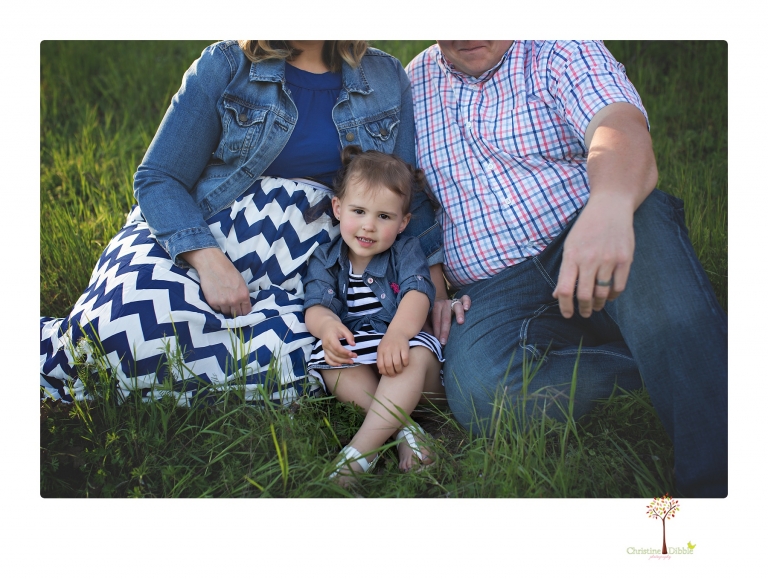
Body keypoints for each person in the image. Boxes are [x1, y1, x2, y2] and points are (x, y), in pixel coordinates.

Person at [40, 40, 442, 407]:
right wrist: (208, 260)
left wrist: (434, 294)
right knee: (116, 329)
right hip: (202, 233)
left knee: (311, 357)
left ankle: (382, 420)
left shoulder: (385, 78)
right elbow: (159, 176)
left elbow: (408, 196)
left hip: (311, 270)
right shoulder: (226, 65)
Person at [406, 41, 727, 497]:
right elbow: (411, 200)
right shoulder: (412, 82)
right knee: (481, 394)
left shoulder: (558, 45)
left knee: (657, 279)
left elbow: (618, 126)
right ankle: (692, 354)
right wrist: (434, 283)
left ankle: (718, 486)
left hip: (598, 230)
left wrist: (610, 207)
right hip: (495, 289)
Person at [304, 146, 443, 483]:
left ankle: (360, 450)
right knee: (331, 362)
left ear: (403, 222)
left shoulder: (405, 250)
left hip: (410, 363)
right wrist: (328, 327)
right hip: (365, 361)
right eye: (359, 211)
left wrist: (398, 334)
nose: (368, 226)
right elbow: (316, 305)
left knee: (415, 354)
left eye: (383, 217)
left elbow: (418, 292)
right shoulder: (326, 257)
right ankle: (402, 432)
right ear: (338, 208)